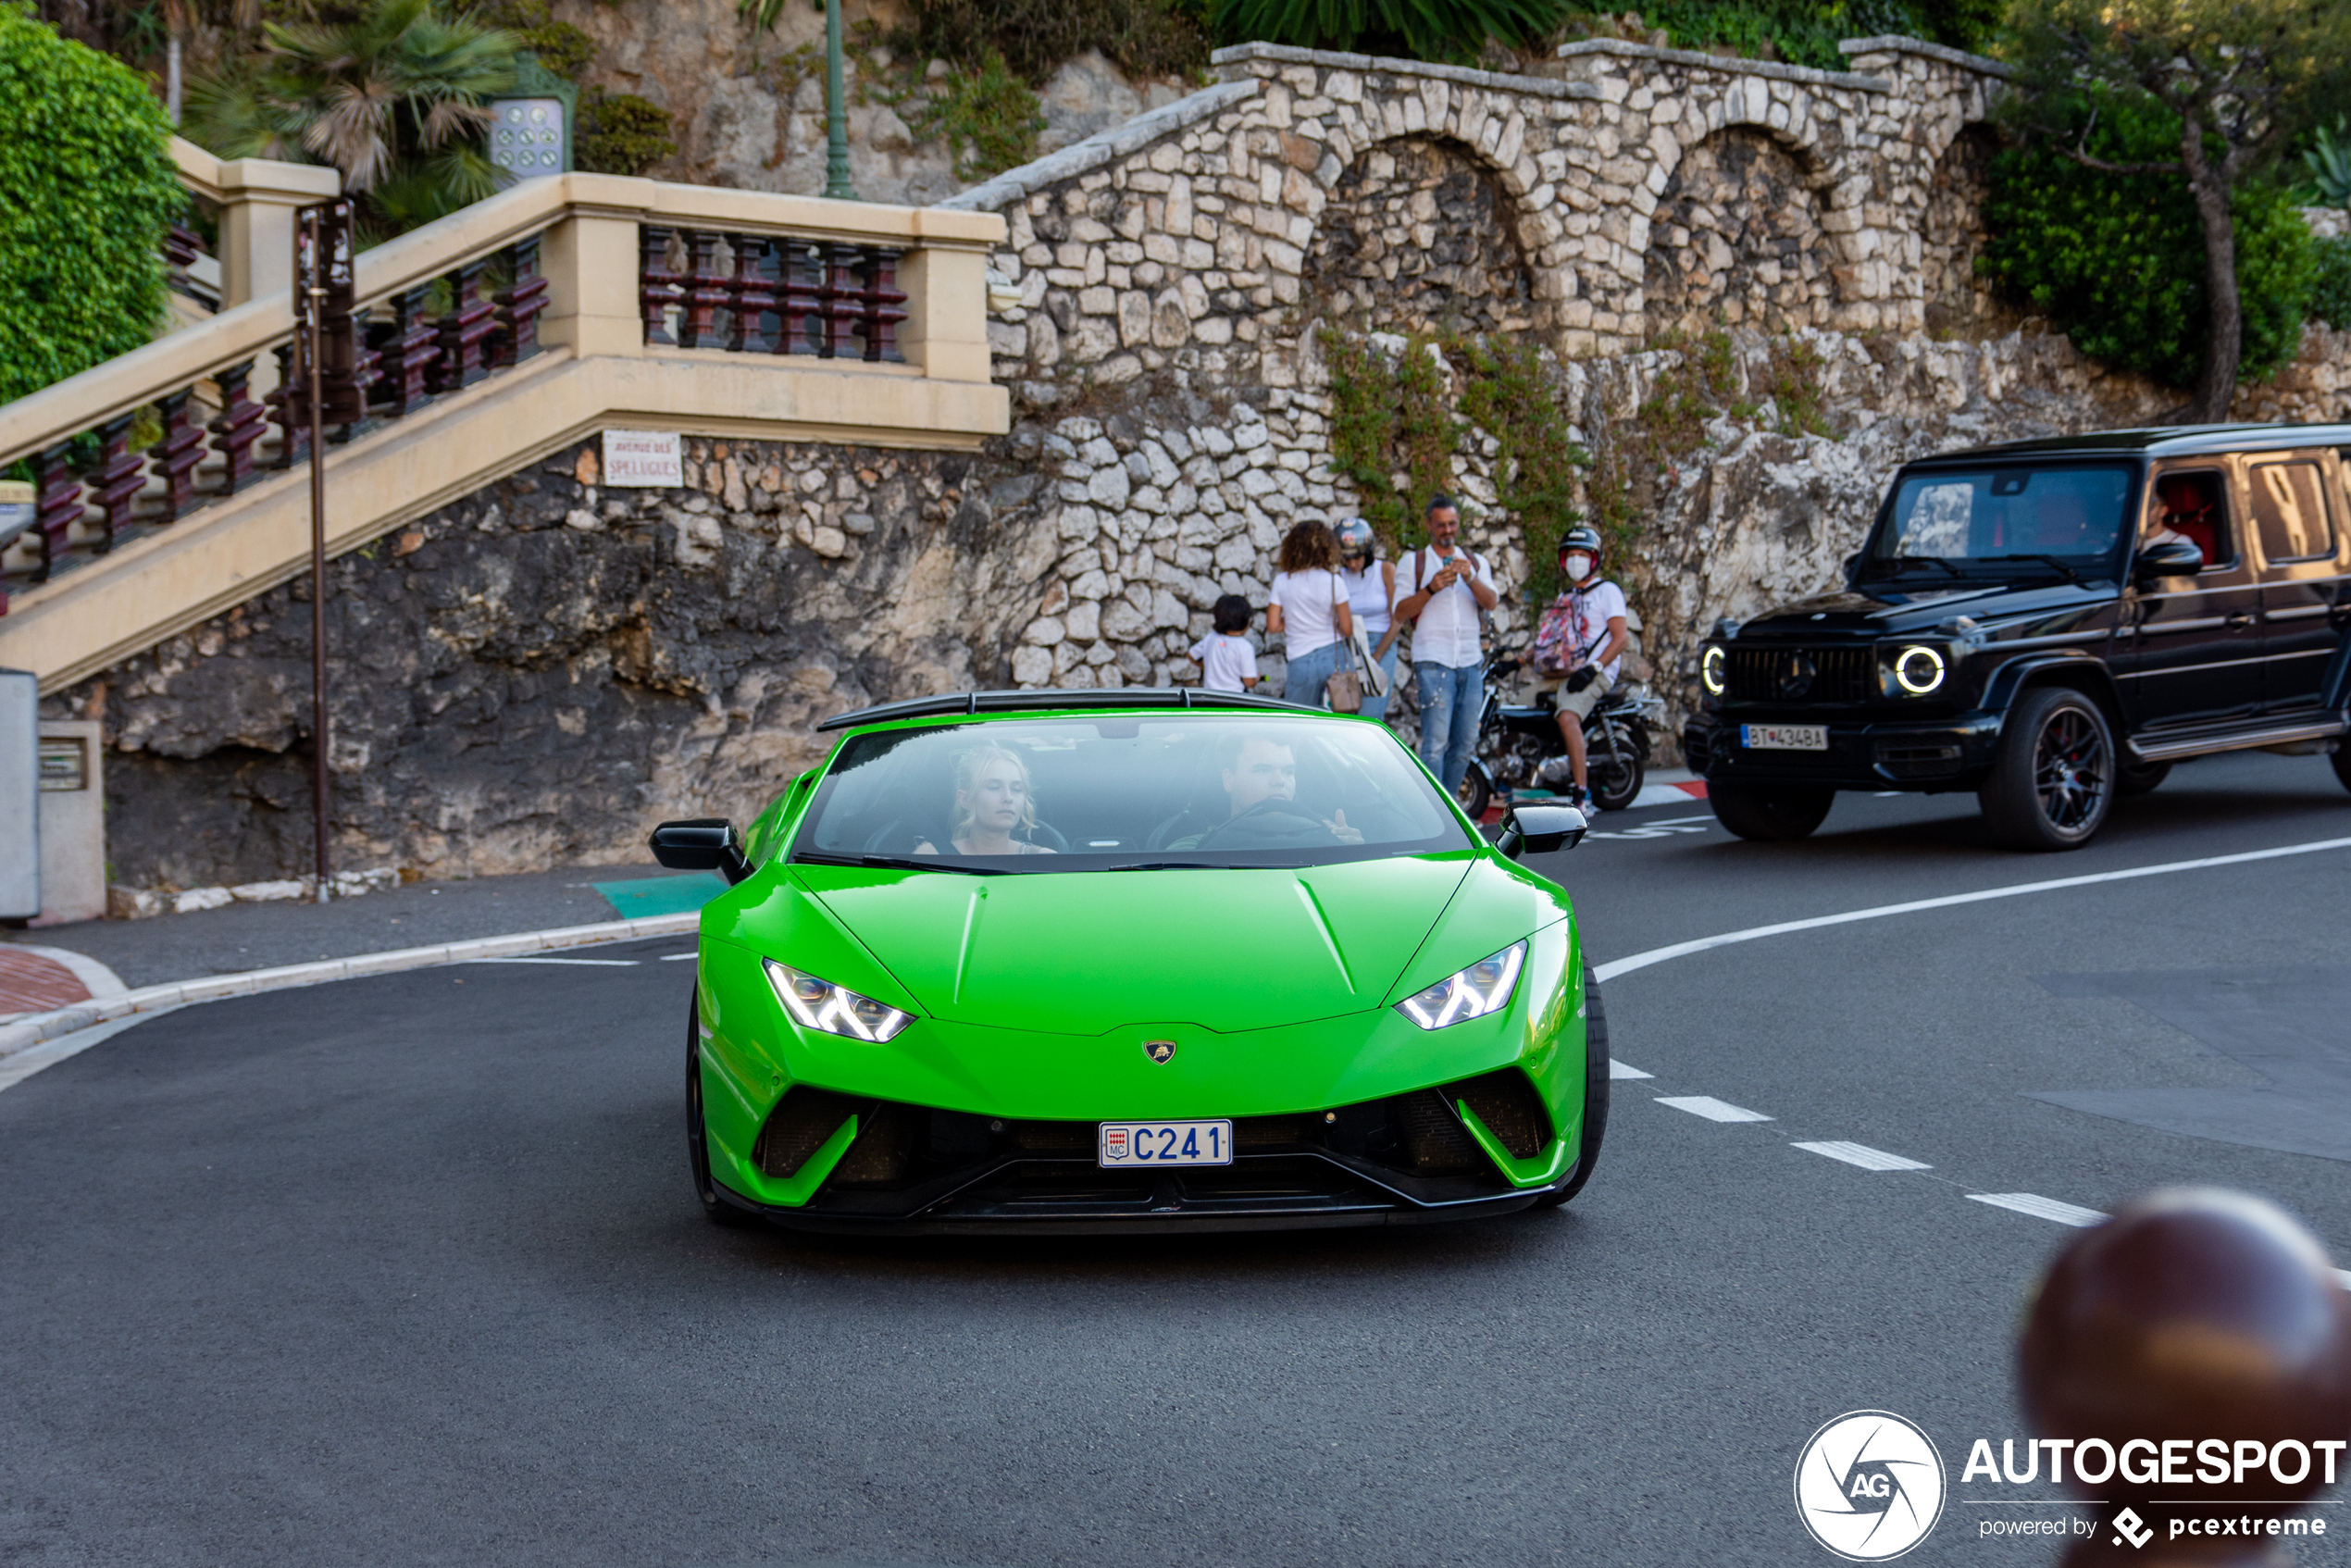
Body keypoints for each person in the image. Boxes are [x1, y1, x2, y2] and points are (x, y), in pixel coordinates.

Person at [1390, 494, 1499, 792]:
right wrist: (1431, 588)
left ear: (1459, 523)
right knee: (1435, 744)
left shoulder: (1475, 562)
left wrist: (1471, 578)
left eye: (1452, 524)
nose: (1447, 530)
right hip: (1433, 661)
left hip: (1470, 661)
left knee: (1465, 743)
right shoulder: (1413, 562)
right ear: (1428, 525)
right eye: (1440, 525)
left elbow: (1491, 602)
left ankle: (1450, 810)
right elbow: (1399, 612)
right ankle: (1434, 811)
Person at [1529, 527, 1626, 810]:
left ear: (1594, 560)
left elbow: (1621, 638)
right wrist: (1519, 659)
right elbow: (1550, 638)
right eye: (1571, 555)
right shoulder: (1566, 596)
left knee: (1568, 717)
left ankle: (1581, 794)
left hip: (1595, 673)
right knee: (1516, 707)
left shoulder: (1607, 591)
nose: (1576, 560)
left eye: (1582, 555)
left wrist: (1593, 668)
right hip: (1562, 672)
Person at [1161, 732, 1362, 850]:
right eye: (1263, 769)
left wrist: (1354, 854)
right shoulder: (1192, 851)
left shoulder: (1328, 839)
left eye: (1288, 771)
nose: (1279, 781)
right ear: (1228, 779)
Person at [1266, 520, 1354, 708]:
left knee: (1299, 723)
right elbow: (1347, 629)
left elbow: (1273, 626)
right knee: (1342, 722)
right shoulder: (1333, 581)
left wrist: (1290, 622)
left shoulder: (1282, 581)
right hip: (1333, 657)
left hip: (1300, 658)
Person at [914, 744, 1056, 855]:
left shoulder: (1047, 861)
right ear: (964, 799)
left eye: (1017, 789)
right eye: (994, 787)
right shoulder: (931, 855)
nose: (1008, 797)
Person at [1336, 518, 1399, 721]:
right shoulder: (1339, 576)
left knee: (1371, 714)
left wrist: (1376, 657)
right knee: (1345, 711)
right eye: (1347, 559)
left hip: (1382, 643)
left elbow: (1397, 618)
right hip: (1349, 644)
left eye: (1357, 558)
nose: (1352, 564)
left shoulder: (1385, 570)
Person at [1189, 594, 1261, 693]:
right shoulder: (1245, 647)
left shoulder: (1211, 638)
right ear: (1246, 621)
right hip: (1234, 700)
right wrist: (1256, 678)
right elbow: (1249, 682)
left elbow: (1191, 655)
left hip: (1211, 698)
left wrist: (1206, 666)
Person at [2147, 473, 2216, 567]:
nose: (2144, 511)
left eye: (2151, 506)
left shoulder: (2180, 543)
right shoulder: (2129, 542)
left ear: (2163, 511)